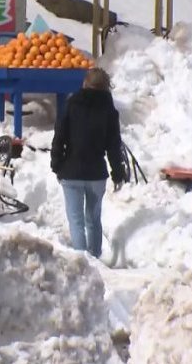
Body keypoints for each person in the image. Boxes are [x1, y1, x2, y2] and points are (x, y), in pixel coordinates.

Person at [51, 67, 126, 258]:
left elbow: (59, 136)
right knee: (93, 219)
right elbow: (114, 145)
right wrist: (118, 173)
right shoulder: (109, 110)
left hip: (71, 172)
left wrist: (57, 164)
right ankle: (95, 258)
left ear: (85, 83)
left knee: (76, 221)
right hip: (96, 174)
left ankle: (82, 261)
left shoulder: (71, 104)